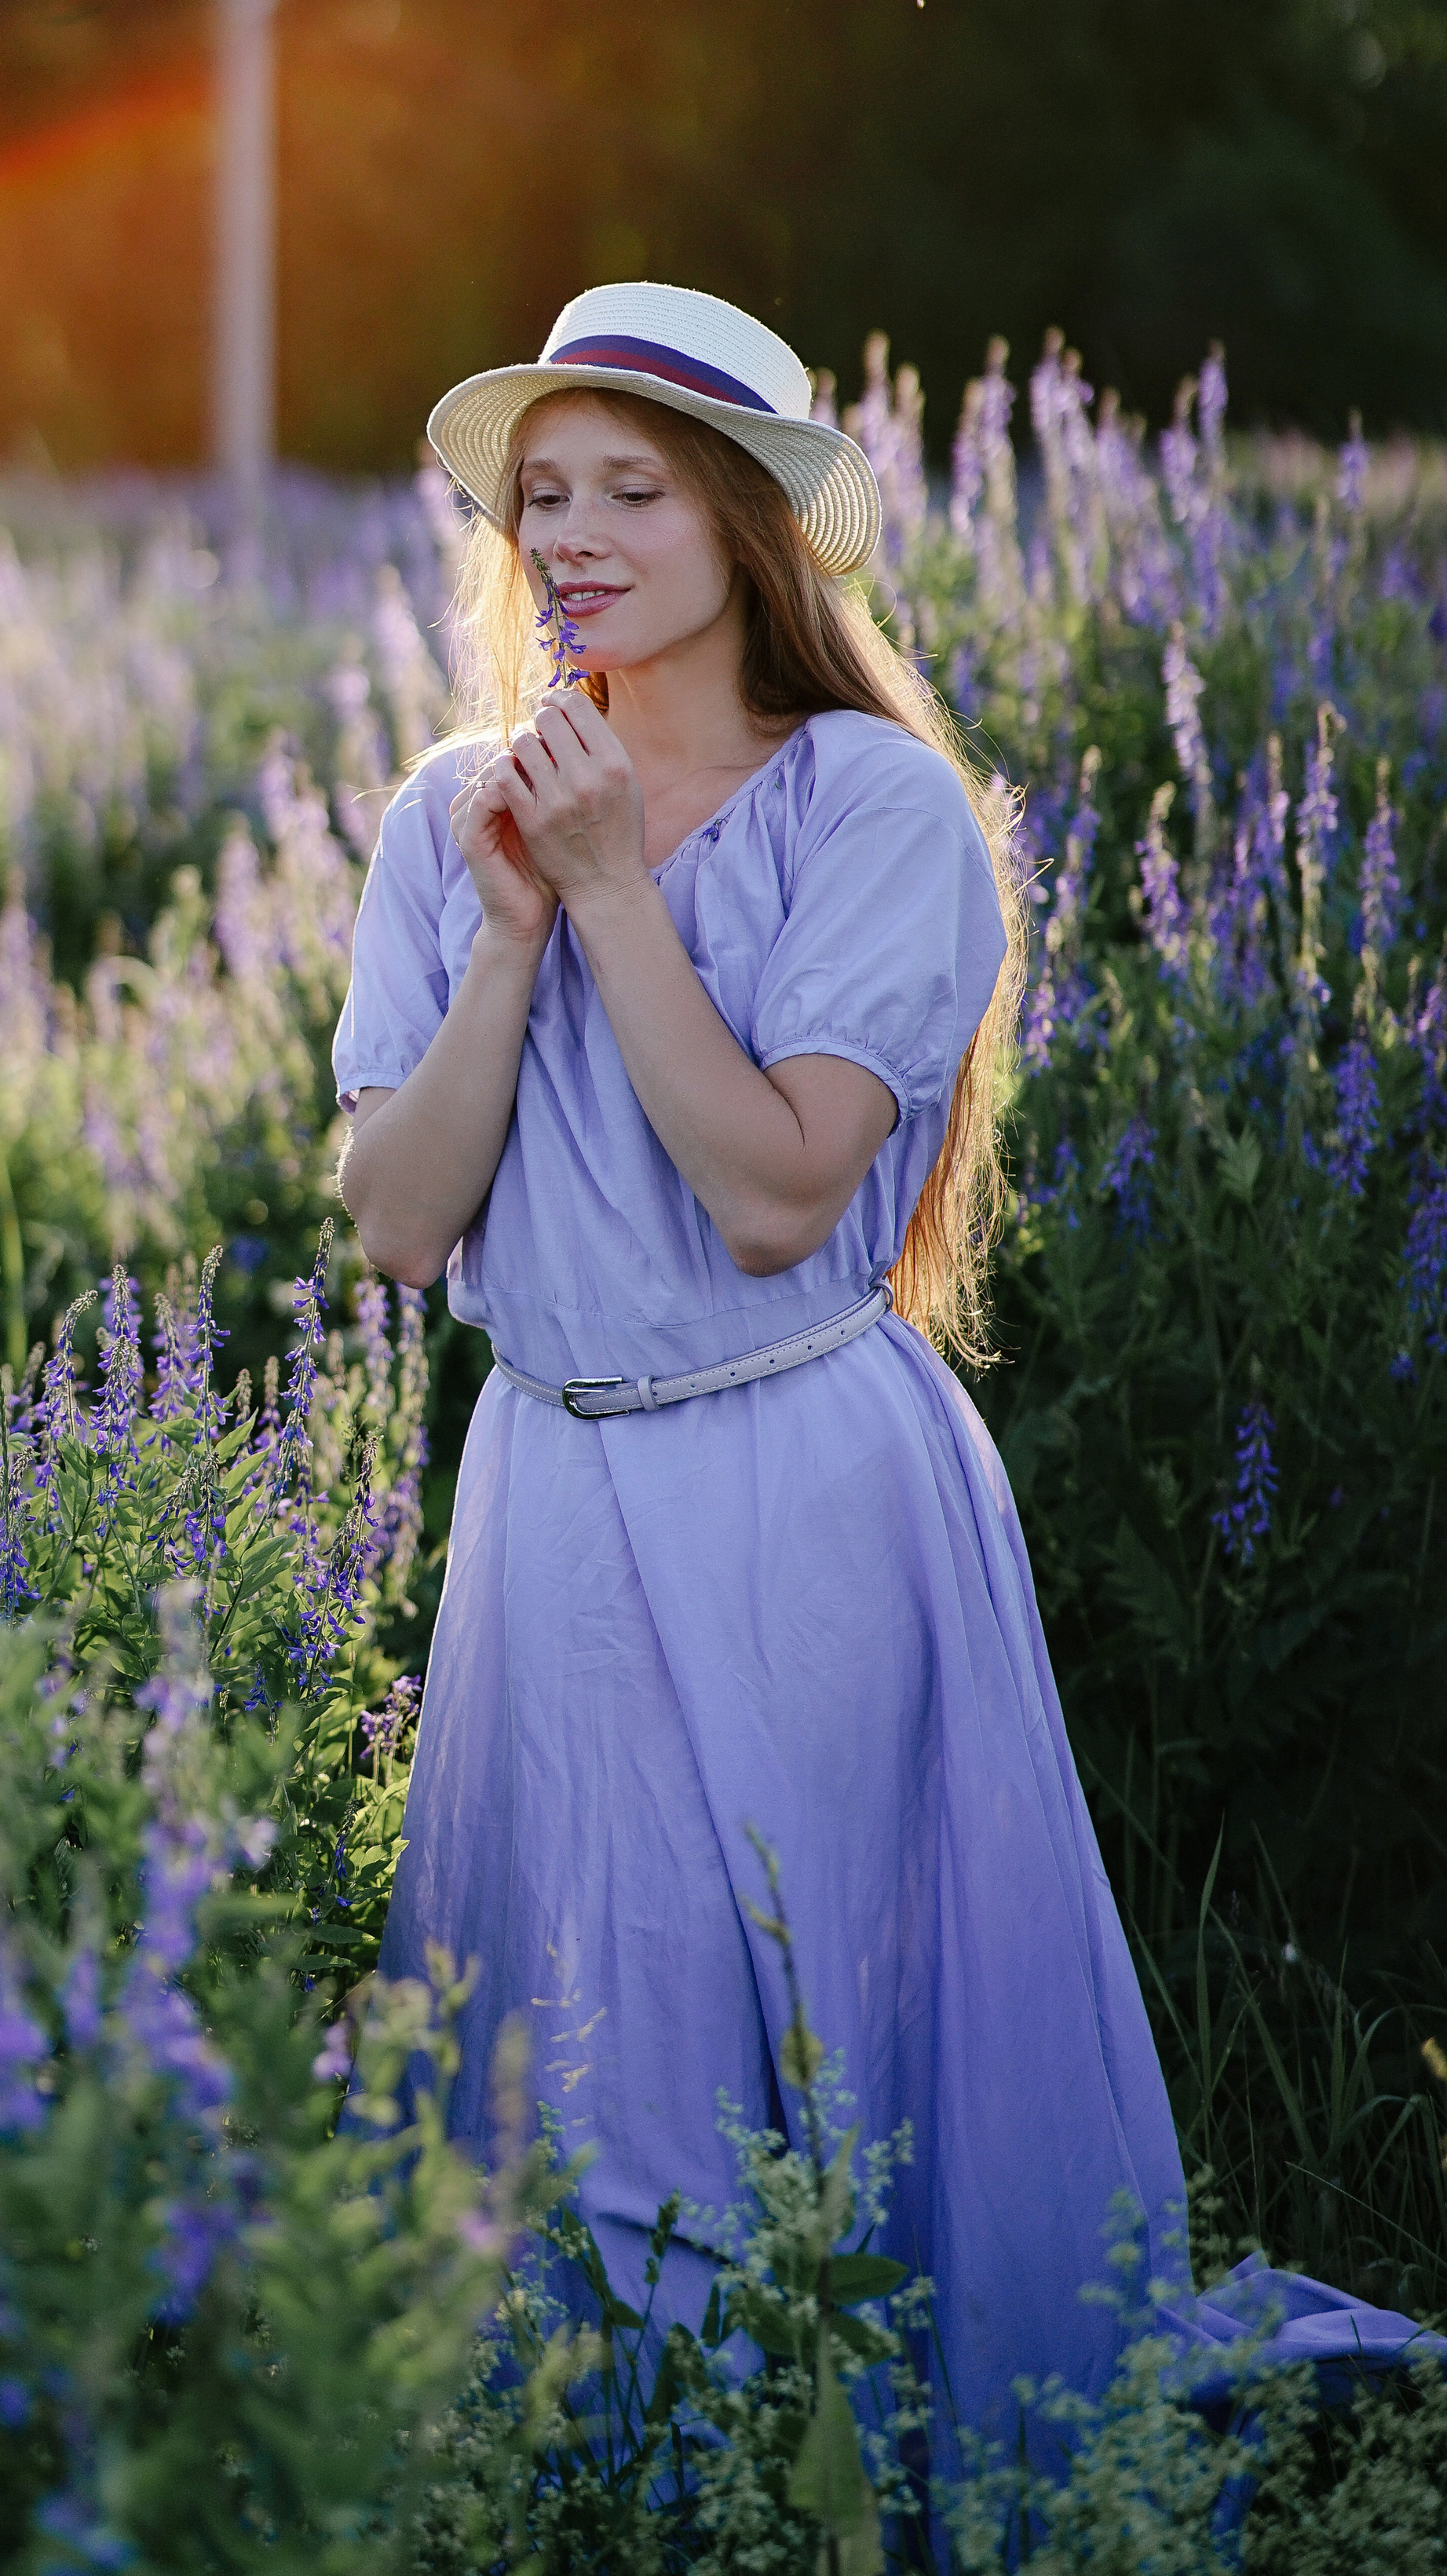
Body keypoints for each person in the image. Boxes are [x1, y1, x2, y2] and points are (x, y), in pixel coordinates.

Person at [331, 280, 1437, 2446]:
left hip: (801, 1485)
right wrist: (522, 924)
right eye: (540, 495)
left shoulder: (877, 808)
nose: (569, 533)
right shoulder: (457, 809)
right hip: (551, 1485)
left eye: (630, 489)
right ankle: (634, 2474)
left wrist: (620, 892)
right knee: (581, 2036)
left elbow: (775, 1197)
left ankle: (854, 2464)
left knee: (831, 2010)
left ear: (751, 523)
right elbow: (396, 1223)